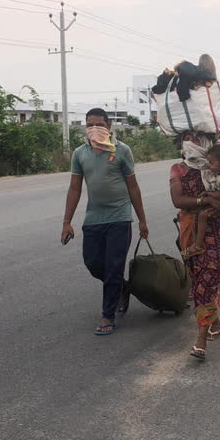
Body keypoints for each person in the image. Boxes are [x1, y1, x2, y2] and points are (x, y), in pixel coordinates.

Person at [61, 108, 148, 336]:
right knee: (92, 262)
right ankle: (121, 287)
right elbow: (74, 188)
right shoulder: (80, 153)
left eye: (99, 124)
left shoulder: (122, 151)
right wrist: (66, 221)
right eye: (89, 125)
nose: (94, 129)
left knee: (113, 266)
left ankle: (108, 315)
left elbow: (133, 187)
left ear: (109, 127)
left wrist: (142, 220)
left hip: (120, 217)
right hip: (93, 218)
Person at [169, 132, 220, 360]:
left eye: (198, 137)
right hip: (190, 232)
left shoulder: (219, 167)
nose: (192, 141)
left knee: (206, 281)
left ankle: (201, 340)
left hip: (217, 231)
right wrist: (206, 200)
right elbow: (178, 201)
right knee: (198, 281)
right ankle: (213, 319)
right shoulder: (178, 169)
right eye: (188, 137)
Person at [184, 143, 220, 258]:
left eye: (211, 163)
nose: (209, 166)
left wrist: (208, 194)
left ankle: (197, 245)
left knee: (202, 215)